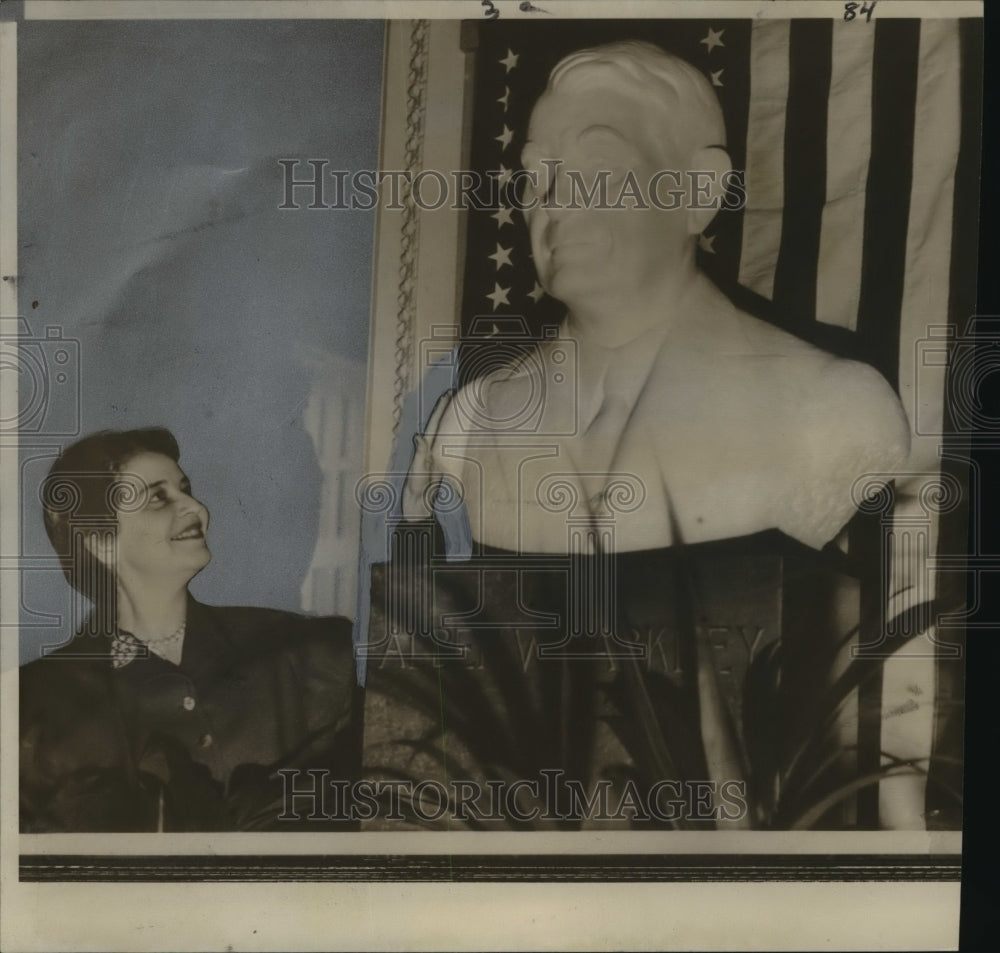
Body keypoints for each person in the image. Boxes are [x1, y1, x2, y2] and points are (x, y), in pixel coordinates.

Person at [404, 40, 910, 555]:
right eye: (538, 173)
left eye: (598, 166)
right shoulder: (472, 419)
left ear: (700, 193)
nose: (554, 199)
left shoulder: (830, 409)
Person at [20, 428, 361, 832]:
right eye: (158, 497)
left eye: (186, 489)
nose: (197, 508)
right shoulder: (32, 703)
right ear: (101, 542)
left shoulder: (305, 654)